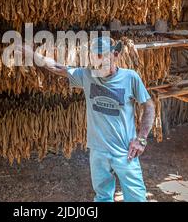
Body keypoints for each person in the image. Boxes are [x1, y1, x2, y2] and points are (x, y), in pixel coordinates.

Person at [21, 36, 155, 202]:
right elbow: (56, 67)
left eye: (102, 61)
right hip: (98, 152)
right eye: (94, 63)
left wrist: (141, 139)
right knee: (103, 197)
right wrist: (30, 53)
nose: (97, 69)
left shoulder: (130, 78)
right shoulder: (87, 75)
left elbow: (148, 106)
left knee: (136, 198)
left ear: (115, 55)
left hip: (125, 152)